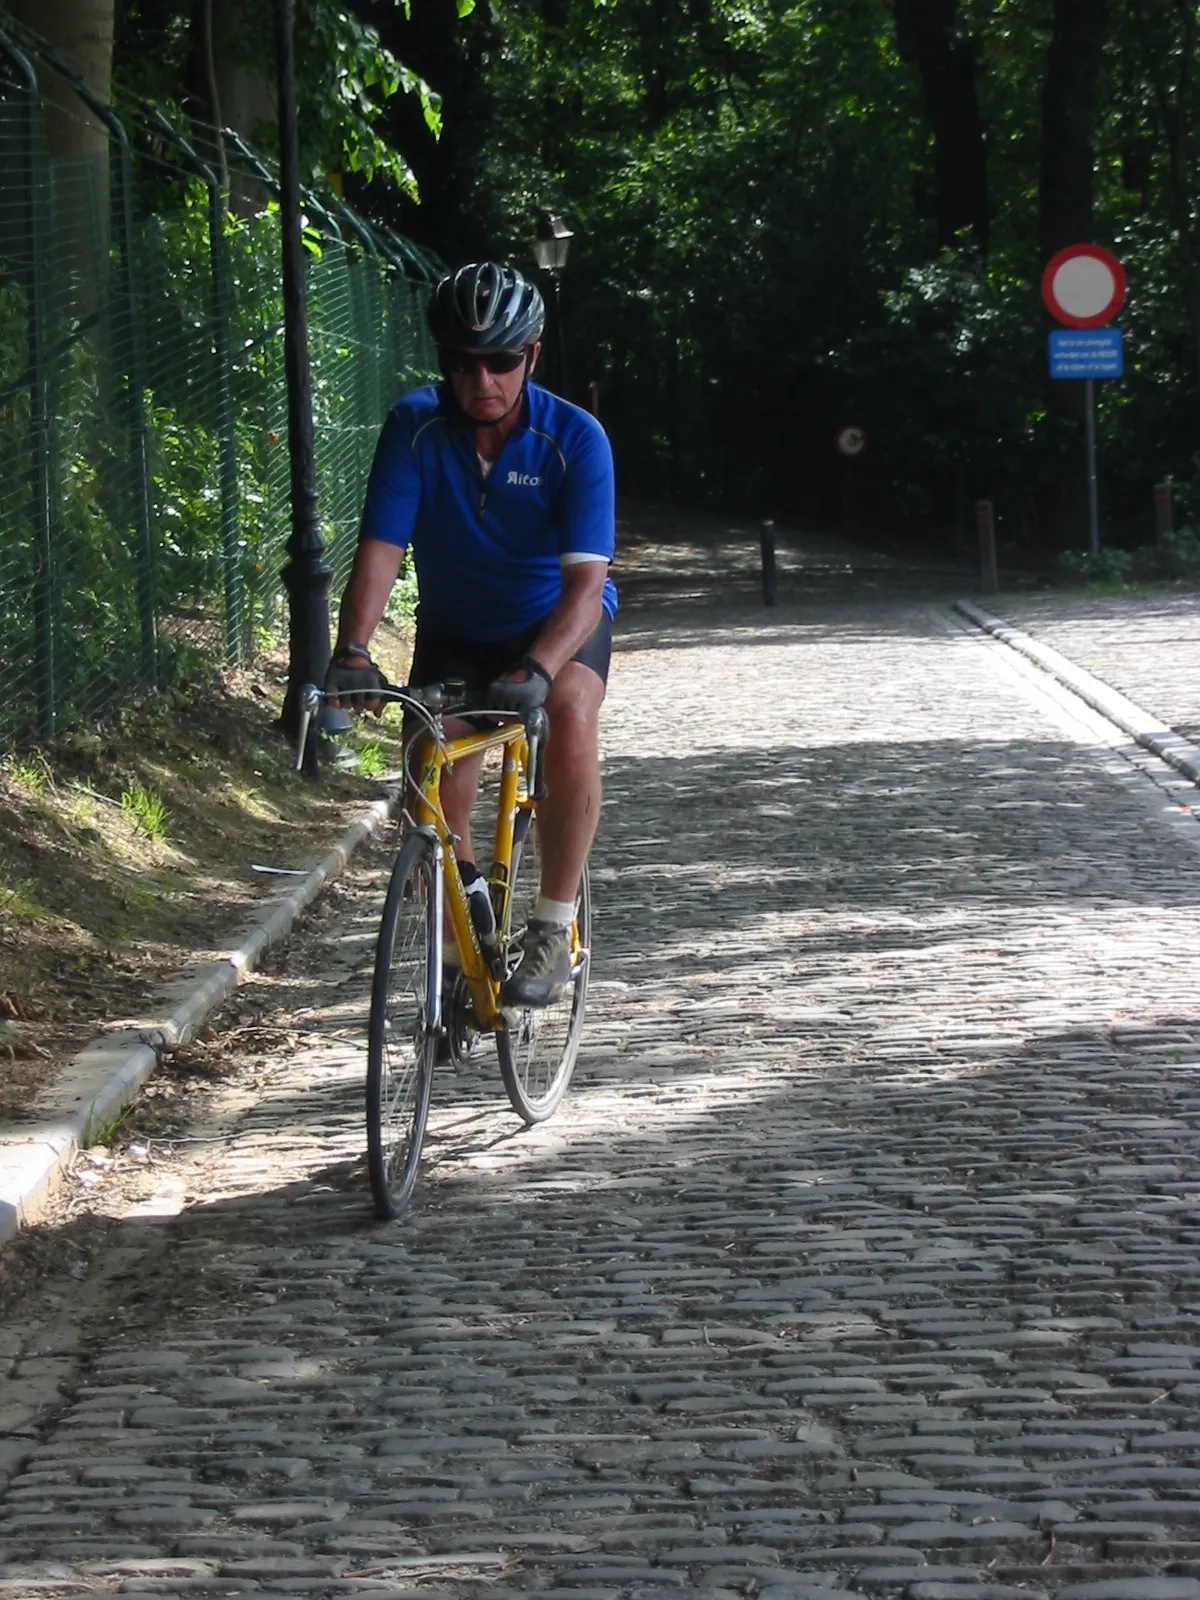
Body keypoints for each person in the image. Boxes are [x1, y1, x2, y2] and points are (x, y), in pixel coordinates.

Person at [325, 260, 617, 1007]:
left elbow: (587, 589)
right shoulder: (414, 428)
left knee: (571, 714)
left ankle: (553, 927)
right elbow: (380, 554)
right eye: (460, 363)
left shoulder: (574, 440)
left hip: (555, 624)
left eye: (499, 361)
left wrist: (542, 668)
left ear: (533, 357)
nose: (479, 379)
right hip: (456, 626)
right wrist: (352, 650)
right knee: (433, 761)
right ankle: (459, 941)